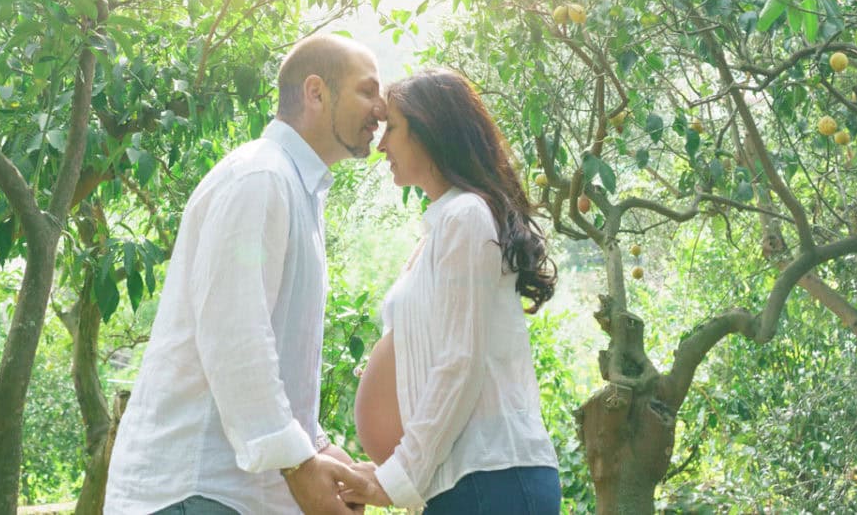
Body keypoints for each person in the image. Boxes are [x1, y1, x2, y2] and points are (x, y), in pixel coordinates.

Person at [104, 34, 385, 515]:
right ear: (316, 93)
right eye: (368, 90)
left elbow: (275, 355)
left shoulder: (295, 187)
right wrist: (300, 468)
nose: (381, 109)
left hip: (230, 496)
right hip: (197, 490)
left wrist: (316, 447)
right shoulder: (260, 177)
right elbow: (236, 338)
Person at [345, 68, 561, 513]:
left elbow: (459, 361)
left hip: (491, 480)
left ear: (430, 131)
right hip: (465, 483)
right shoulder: (446, 225)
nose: (382, 144)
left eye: (394, 128)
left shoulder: (465, 216)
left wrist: (399, 475)